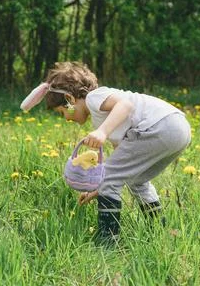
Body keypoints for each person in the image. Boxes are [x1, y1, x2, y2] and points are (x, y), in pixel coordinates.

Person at [20, 61, 191, 243]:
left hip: (158, 127)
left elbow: (125, 106)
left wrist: (102, 132)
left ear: (70, 100)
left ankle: (108, 241)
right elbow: (122, 158)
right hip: (177, 129)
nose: (66, 119)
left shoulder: (94, 98)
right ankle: (157, 230)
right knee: (137, 180)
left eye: (63, 113)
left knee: (110, 180)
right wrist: (98, 188)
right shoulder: (101, 113)